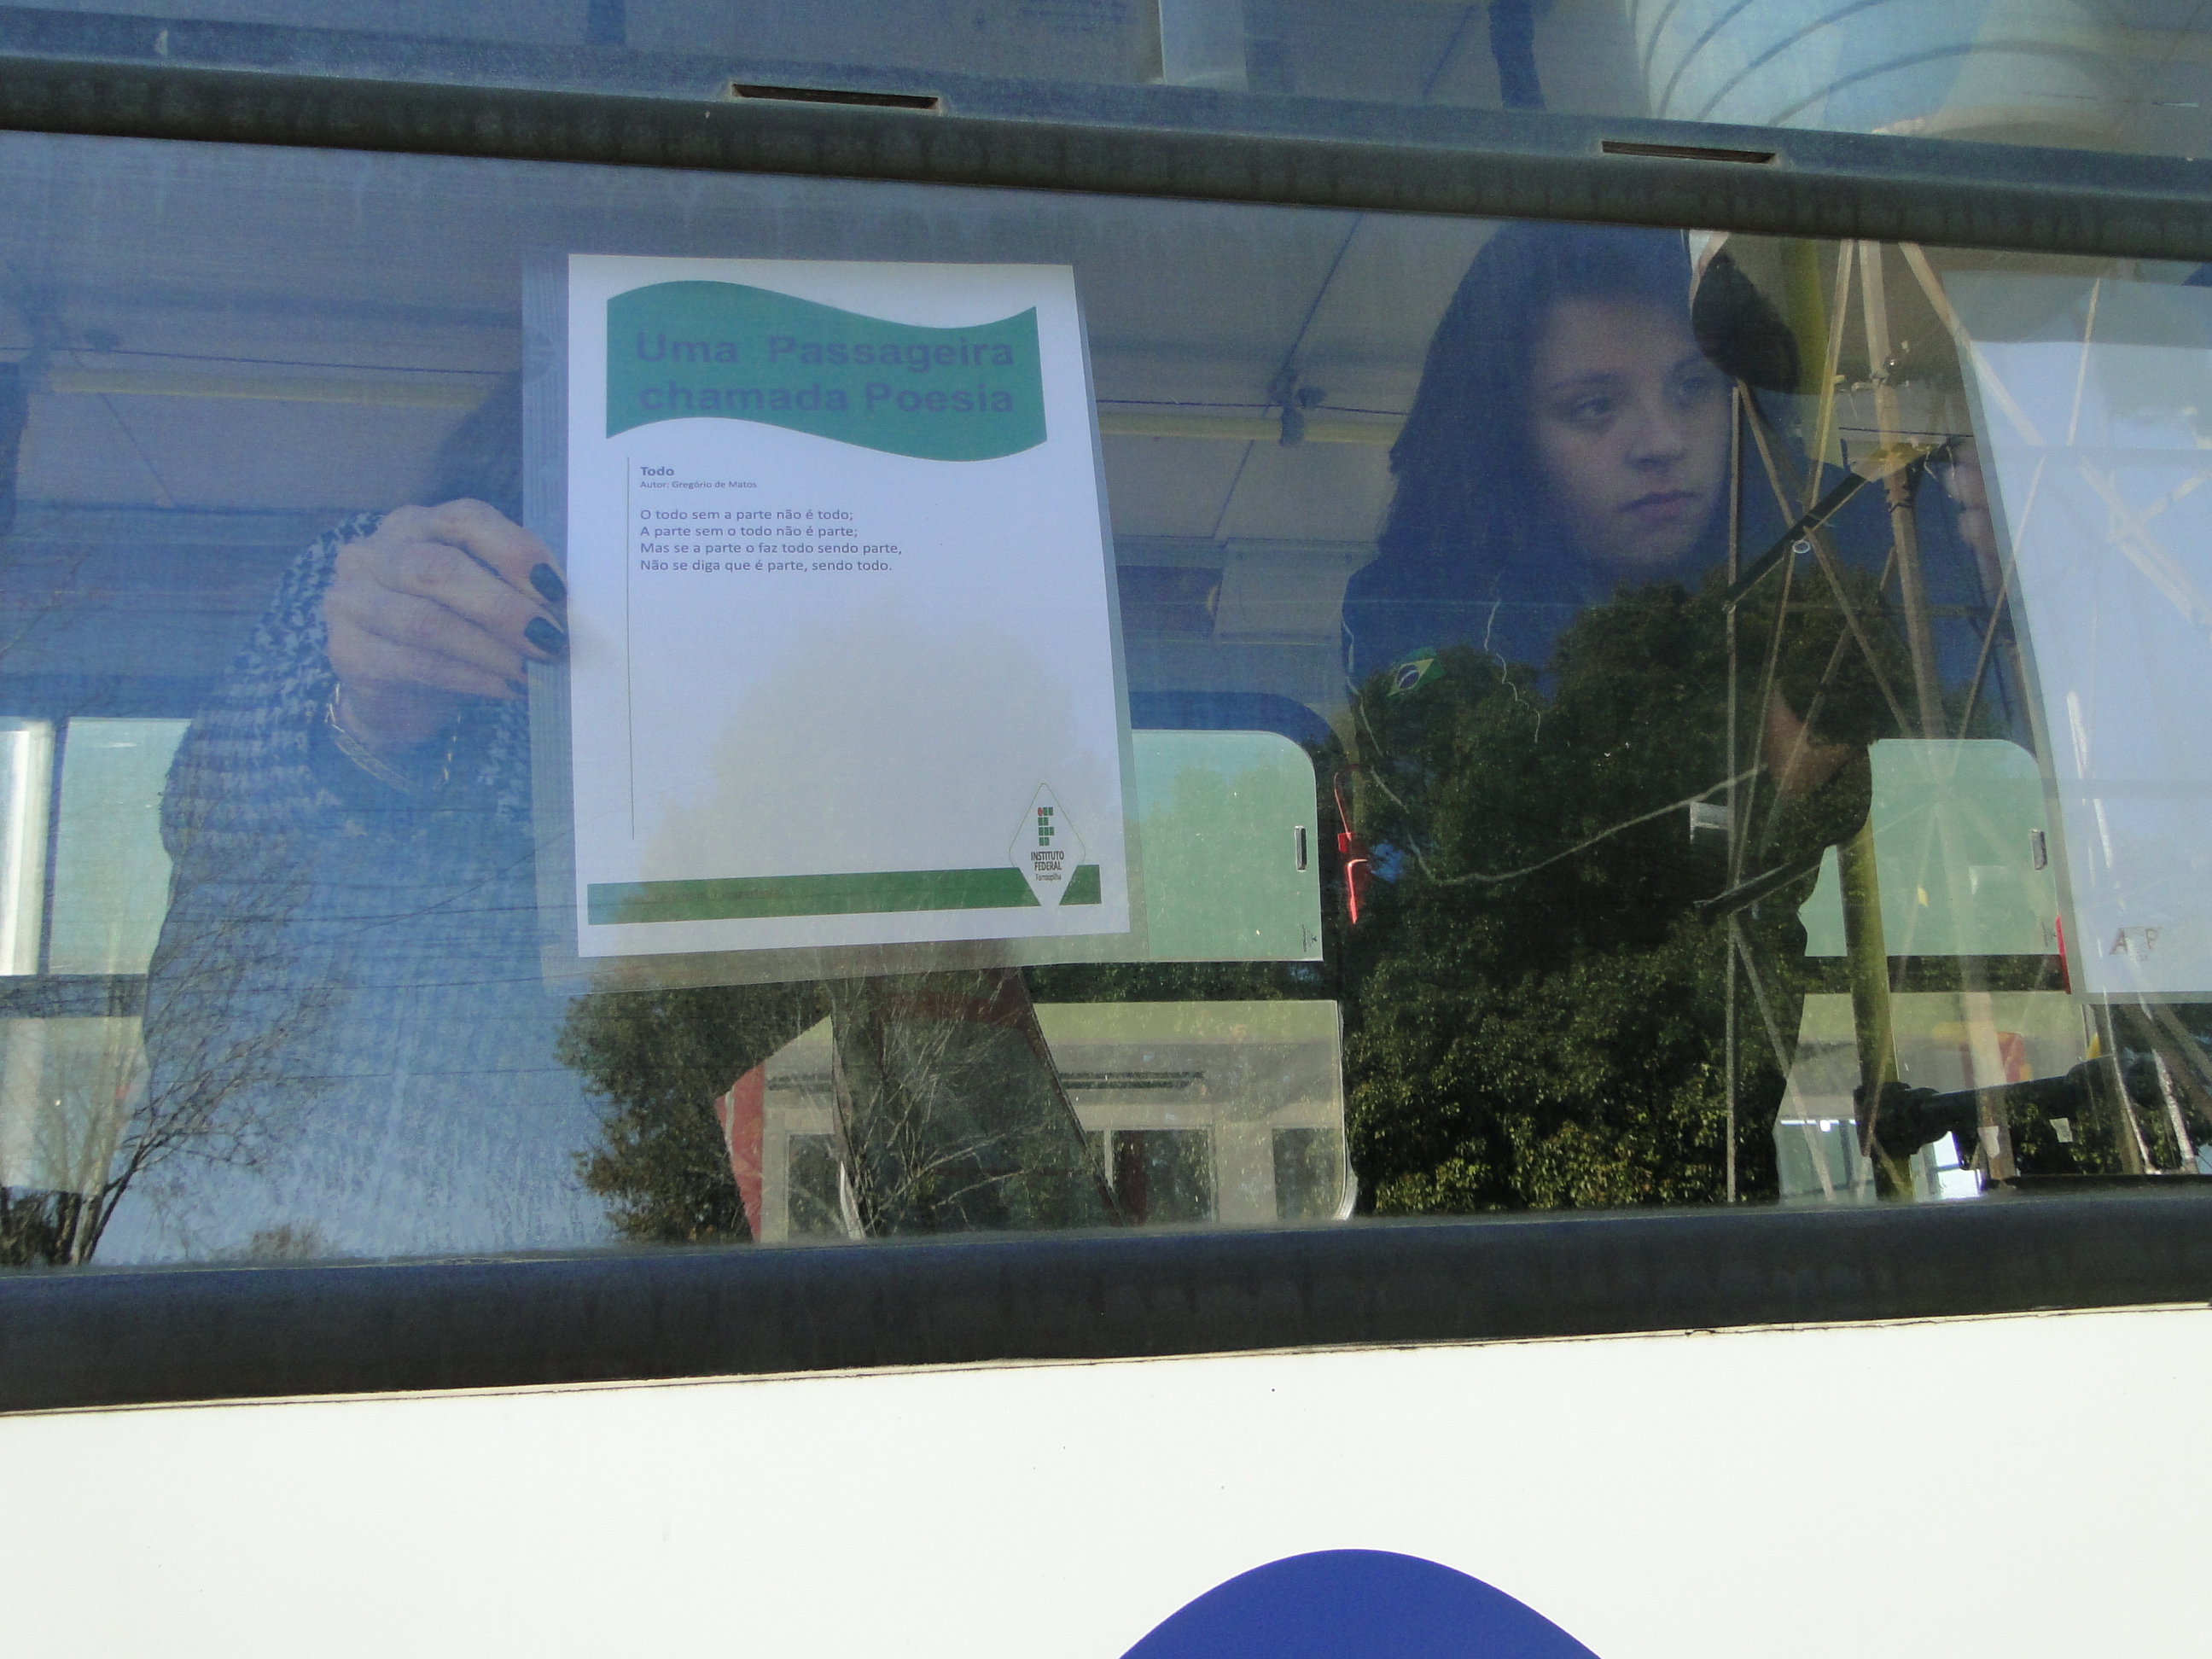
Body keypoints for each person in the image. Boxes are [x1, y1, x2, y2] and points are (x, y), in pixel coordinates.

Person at [119, 384, 1112, 1260]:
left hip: (636, 1274)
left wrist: (909, 839)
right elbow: (222, 809)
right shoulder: (377, 590)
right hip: (262, 1285)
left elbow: (707, 1020)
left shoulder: (719, 772)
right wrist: (372, 716)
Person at [1336, 223, 1921, 1212]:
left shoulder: (1836, 558)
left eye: (1694, 389)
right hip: (1476, 1197)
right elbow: (1535, 869)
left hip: (1726, 1171)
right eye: (1594, 406)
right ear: (1510, 441)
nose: (1658, 440)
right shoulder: (1429, 626)